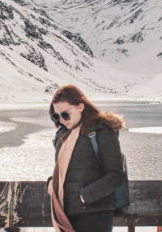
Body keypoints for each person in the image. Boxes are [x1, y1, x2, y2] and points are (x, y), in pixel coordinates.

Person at [47, 84, 125, 232]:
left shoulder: (101, 131)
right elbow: (67, 172)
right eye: (56, 116)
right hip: (66, 215)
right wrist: (52, 182)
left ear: (80, 107)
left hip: (95, 215)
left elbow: (115, 175)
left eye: (65, 114)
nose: (61, 120)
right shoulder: (62, 136)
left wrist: (85, 196)